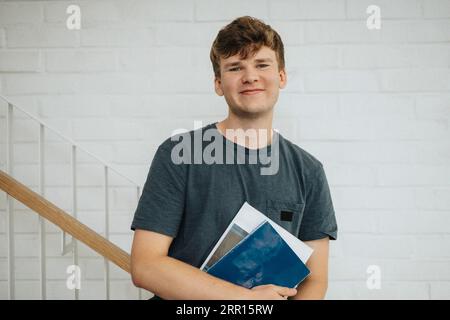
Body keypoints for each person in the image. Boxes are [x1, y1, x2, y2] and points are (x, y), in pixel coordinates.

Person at [130, 16, 337, 300]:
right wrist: (247, 301)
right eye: (235, 67)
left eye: (262, 64)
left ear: (282, 77)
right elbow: (146, 266)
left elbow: (315, 281)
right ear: (218, 83)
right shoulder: (178, 154)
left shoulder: (308, 171)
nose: (250, 76)